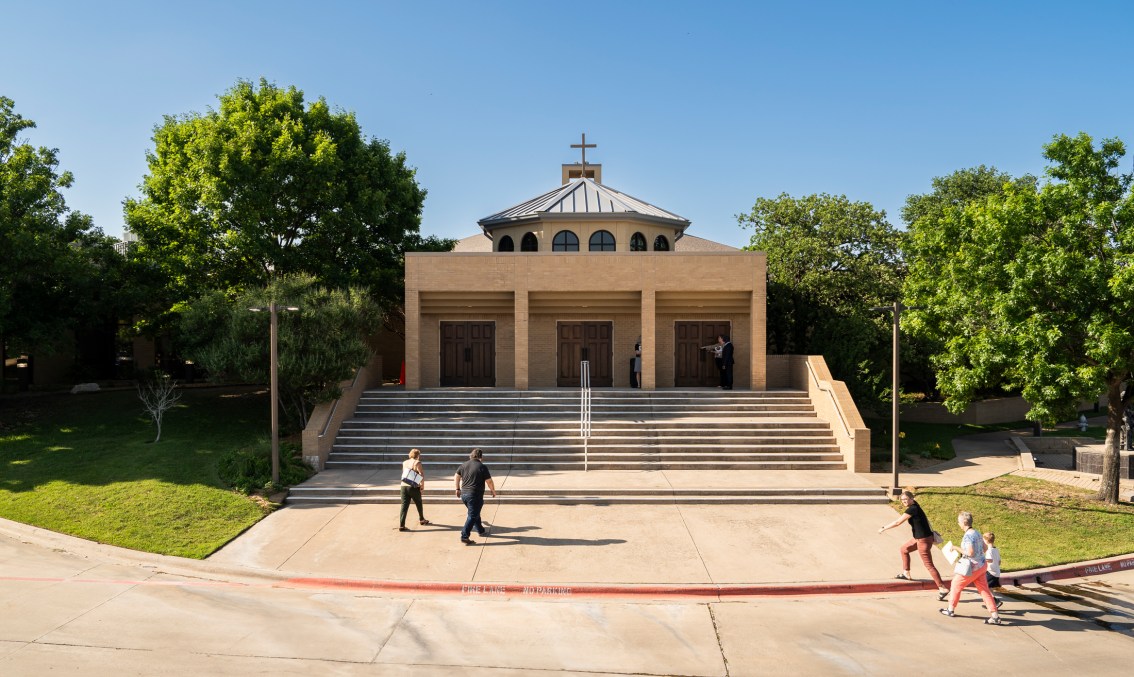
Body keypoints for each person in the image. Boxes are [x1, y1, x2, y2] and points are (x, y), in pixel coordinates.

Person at [878, 490, 949, 599]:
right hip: (920, 539)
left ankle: (942, 588)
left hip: (923, 540)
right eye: (902, 500)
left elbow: (898, 522)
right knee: (904, 549)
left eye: (906, 499)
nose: (904, 501)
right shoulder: (915, 506)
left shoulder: (913, 509)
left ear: (912, 498)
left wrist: (884, 528)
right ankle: (906, 573)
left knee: (929, 565)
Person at [940, 511, 1003, 624]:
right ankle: (995, 616)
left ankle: (950, 609)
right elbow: (984, 549)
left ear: (964, 522)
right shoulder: (977, 532)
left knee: (955, 584)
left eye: (959, 521)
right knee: (984, 590)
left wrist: (955, 548)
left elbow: (970, 552)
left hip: (971, 568)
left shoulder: (968, 536)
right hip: (982, 566)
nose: (958, 523)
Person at [454, 447, 497, 545]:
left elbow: (456, 476)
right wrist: (493, 490)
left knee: (474, 512)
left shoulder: (463, 465)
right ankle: (464, 536)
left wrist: (457, 489)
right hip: (475, 495)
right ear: (481, 457)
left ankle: (480, 530)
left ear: (471, 456)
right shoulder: (482, 466)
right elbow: (489, 481)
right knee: (472, 515)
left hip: (464, 494)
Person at [398, 448, 430, 531]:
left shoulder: (404, 462)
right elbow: (421, 474)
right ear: (418, 455)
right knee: (418, 503)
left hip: (403, 486)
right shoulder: (417, 462)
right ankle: (422, 519)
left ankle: (402, 524)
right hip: (413, 486)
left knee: (404, 506)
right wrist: (422, 485)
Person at [984, 532, 1003, 609]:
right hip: (996, 573)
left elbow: (990, 560)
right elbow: (999, 562)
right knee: (989, 588)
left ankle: (995, 602)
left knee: (985, 588)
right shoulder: (996, 549)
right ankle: (990, 604)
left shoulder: (989, 551)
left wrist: (982, 560)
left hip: (990, 573)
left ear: (986, 541)